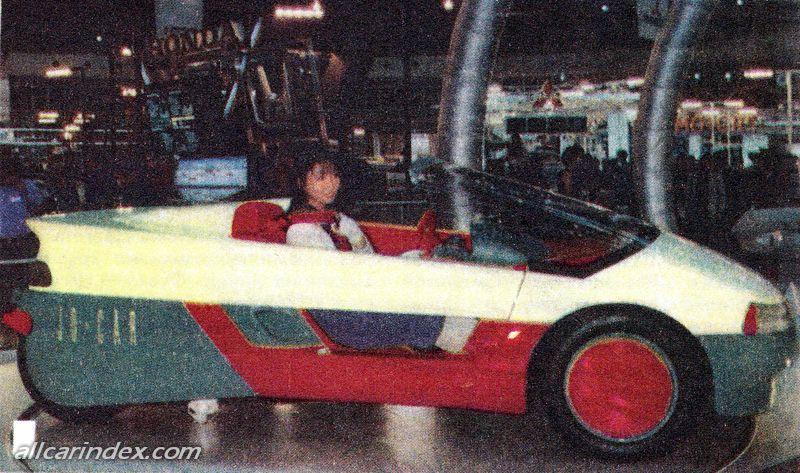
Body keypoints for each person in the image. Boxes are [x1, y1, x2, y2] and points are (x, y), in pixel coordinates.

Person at [285, 144, 457, 351]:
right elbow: (340, 285)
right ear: (300, 182)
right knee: (432, 305)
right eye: (321, 176)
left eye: (335, 175)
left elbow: (367, 260)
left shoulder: (334, 218)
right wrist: (400, 270)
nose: (331, 183)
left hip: (357, 302)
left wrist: (358, 238)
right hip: (343, 320)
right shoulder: (301, 231)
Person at [0, 147, 43, 349]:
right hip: (2, 245)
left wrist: (22, 189)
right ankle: (5, 331)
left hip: (22, 242)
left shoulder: (24, 185)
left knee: (21, 286)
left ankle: (19, 331)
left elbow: (39, 204)